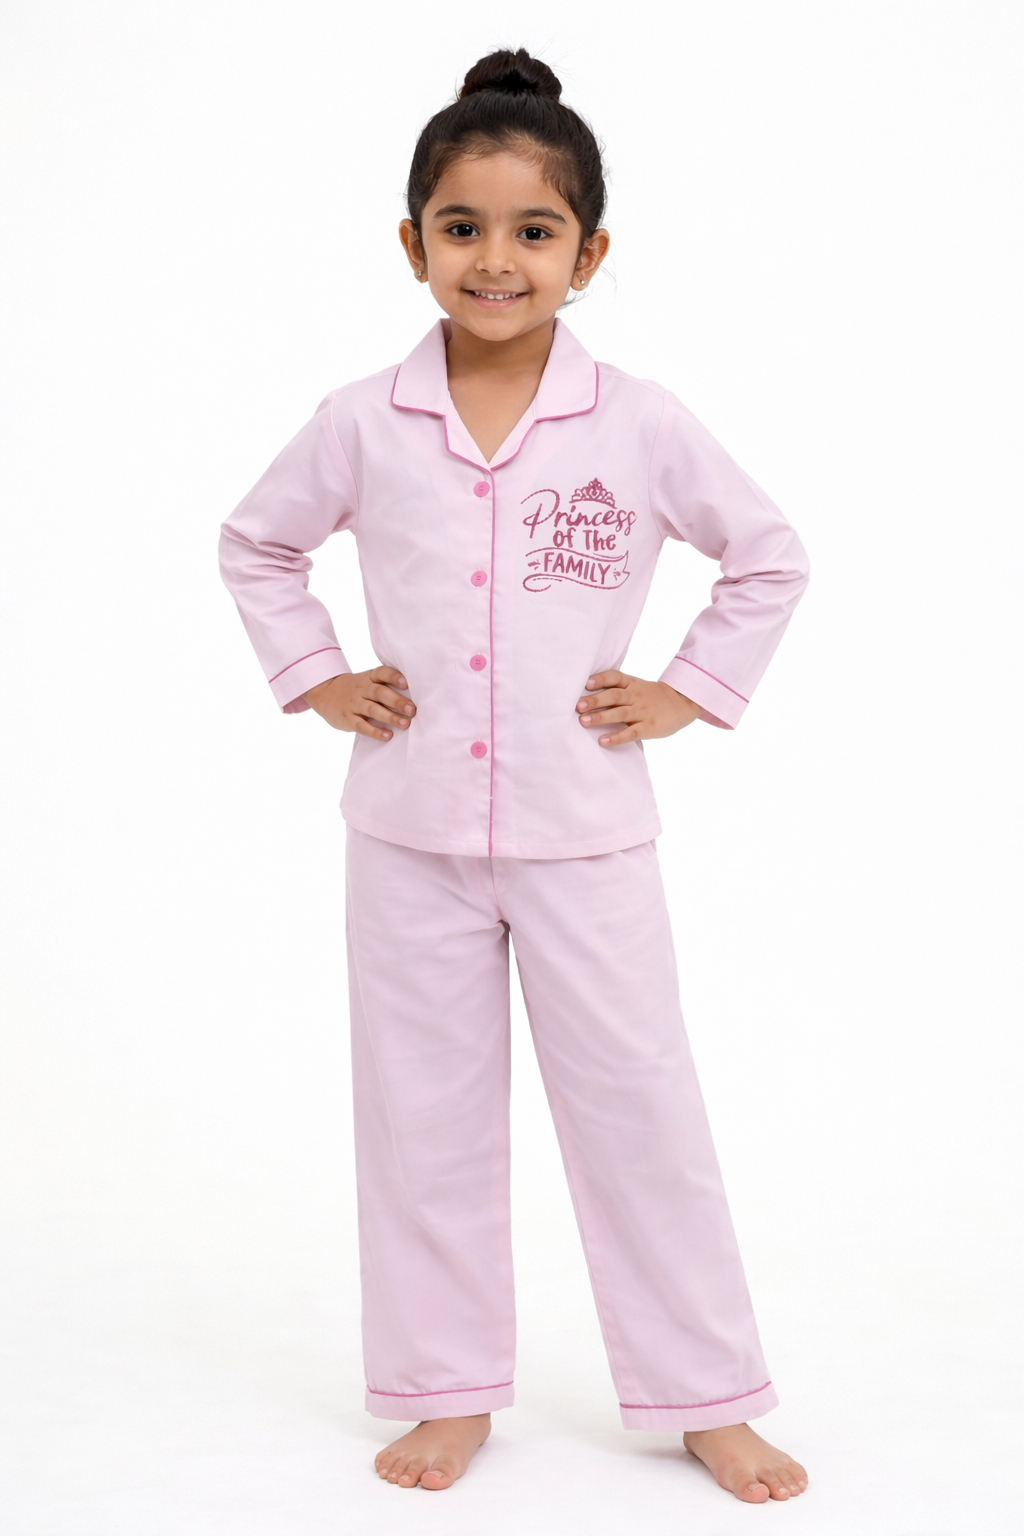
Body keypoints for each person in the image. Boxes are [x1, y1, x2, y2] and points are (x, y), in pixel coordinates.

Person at [219, 47, 810, 1504]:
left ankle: (707, 1394)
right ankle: (443, 1390)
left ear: (588, 255)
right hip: (406, 829)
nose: (496, 259)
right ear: (412, 242)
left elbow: (767, 556)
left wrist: (687, 693)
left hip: (585, 830)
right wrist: (319, 675)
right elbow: (257, 543)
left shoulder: (640, 421)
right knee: (421, 1119)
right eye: (462, 227)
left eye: (533, 230)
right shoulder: (361, 419)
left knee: (641, 1112)